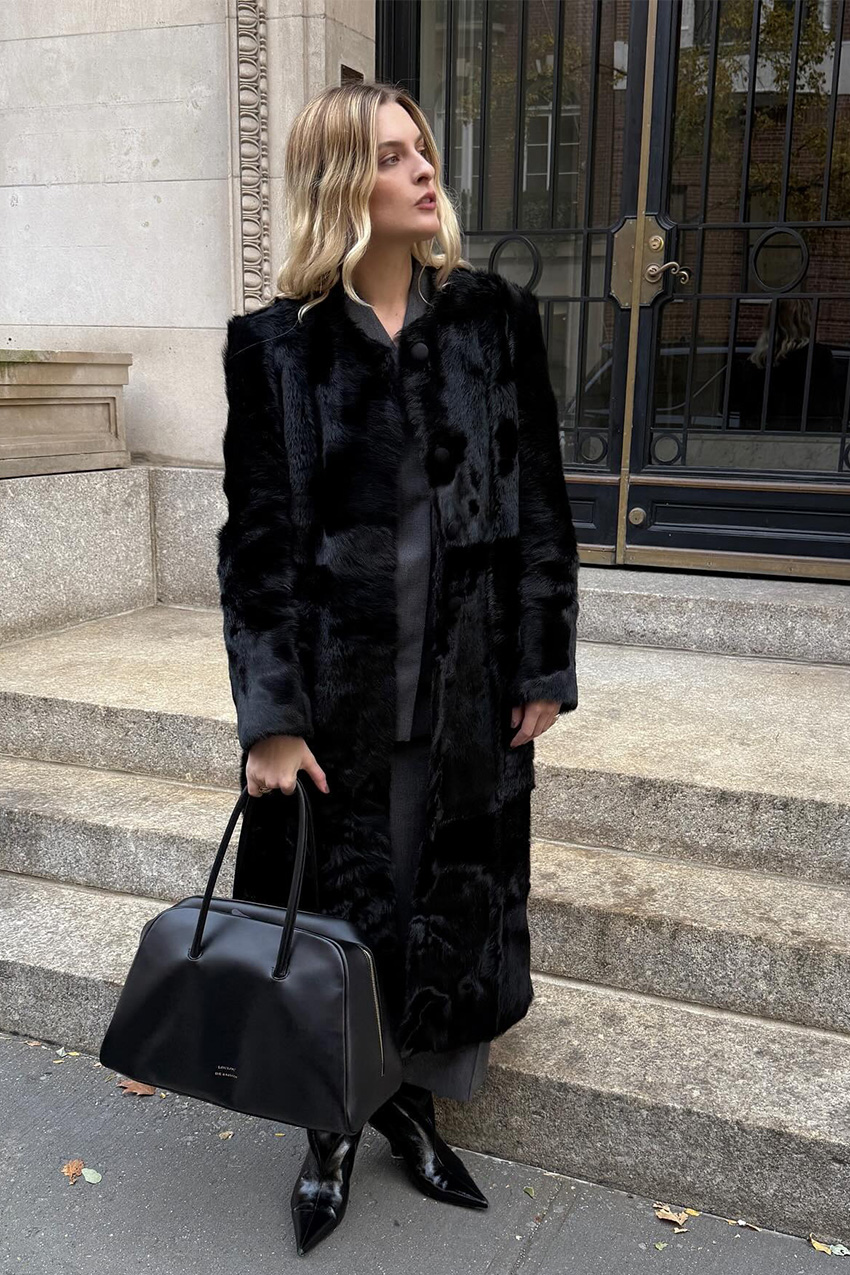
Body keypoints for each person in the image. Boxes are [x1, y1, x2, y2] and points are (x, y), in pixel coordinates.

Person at [217, 80, 580, 1257]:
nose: (425, 170)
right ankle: (328, 1129)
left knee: (440, 903)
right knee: (336, 916)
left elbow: (540, 513)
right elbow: (257, 544)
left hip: (466, 690)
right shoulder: (272, 349)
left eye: (424, 150)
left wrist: (540, 660)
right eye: (392, 155)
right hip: (333, 702)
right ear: (341, 185)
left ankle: (410, 1108)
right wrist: (269, 716)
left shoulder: (491, 320)